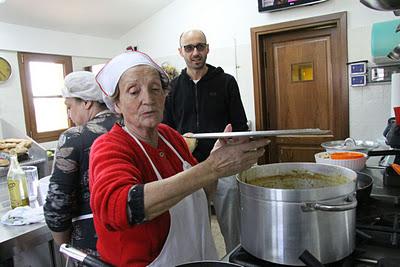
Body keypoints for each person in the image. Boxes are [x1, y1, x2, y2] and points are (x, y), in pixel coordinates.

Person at [89, 50, 269, 266]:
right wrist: (213, 167)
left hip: (197, 257)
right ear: (116, 104)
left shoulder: (170, 137)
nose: (148, 99)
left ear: (165, 95)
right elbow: (119, 208)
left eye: (155, 89)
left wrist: (216, 160)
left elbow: (202, 194)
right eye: (134, 92)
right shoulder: (109, 146)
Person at [163, 29, 249, 252]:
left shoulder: (227, 82)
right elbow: (166, 130)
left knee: (233, 230)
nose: (195, 52)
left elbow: (240, 126)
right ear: (180, 52)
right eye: (189, 48)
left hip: (225, 167)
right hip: (186, 167)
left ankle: (236, 260)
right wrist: (181, 144)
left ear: (208, 48)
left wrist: (232, 145)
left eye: (200, 47)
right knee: (190, 227)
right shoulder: (171, 89)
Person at [43, 71, 119, 260]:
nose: (69, 114)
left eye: (69, 106)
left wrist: (64, 245)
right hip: (135, 238)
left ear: (86, 102)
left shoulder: (75, 137)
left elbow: (58, 204)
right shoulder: (129, 126)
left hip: (94, 244)